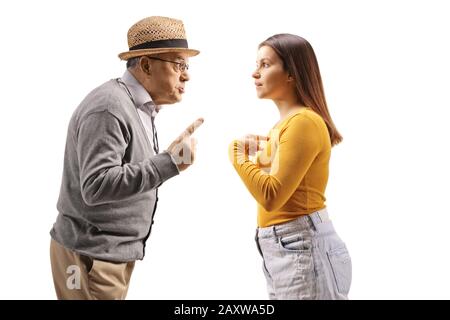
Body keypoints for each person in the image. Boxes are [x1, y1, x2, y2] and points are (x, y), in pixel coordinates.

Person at [49, 16, 203, 300]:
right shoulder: (109, 107)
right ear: (146, 65)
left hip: (106, 255)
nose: (187, 75)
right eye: (179, 65)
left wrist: (167, 162)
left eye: (187, 66)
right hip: (90, 258)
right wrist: (169, 163)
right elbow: (96, 186)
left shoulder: (138, 107)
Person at [229, 34, 352, 299]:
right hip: (289, 247)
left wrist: (237, 155)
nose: (254, 73)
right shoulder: (286, 125)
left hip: (301, 246)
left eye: (265, 64)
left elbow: (271, 196)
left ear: (291, 75)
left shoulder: (303, 122)